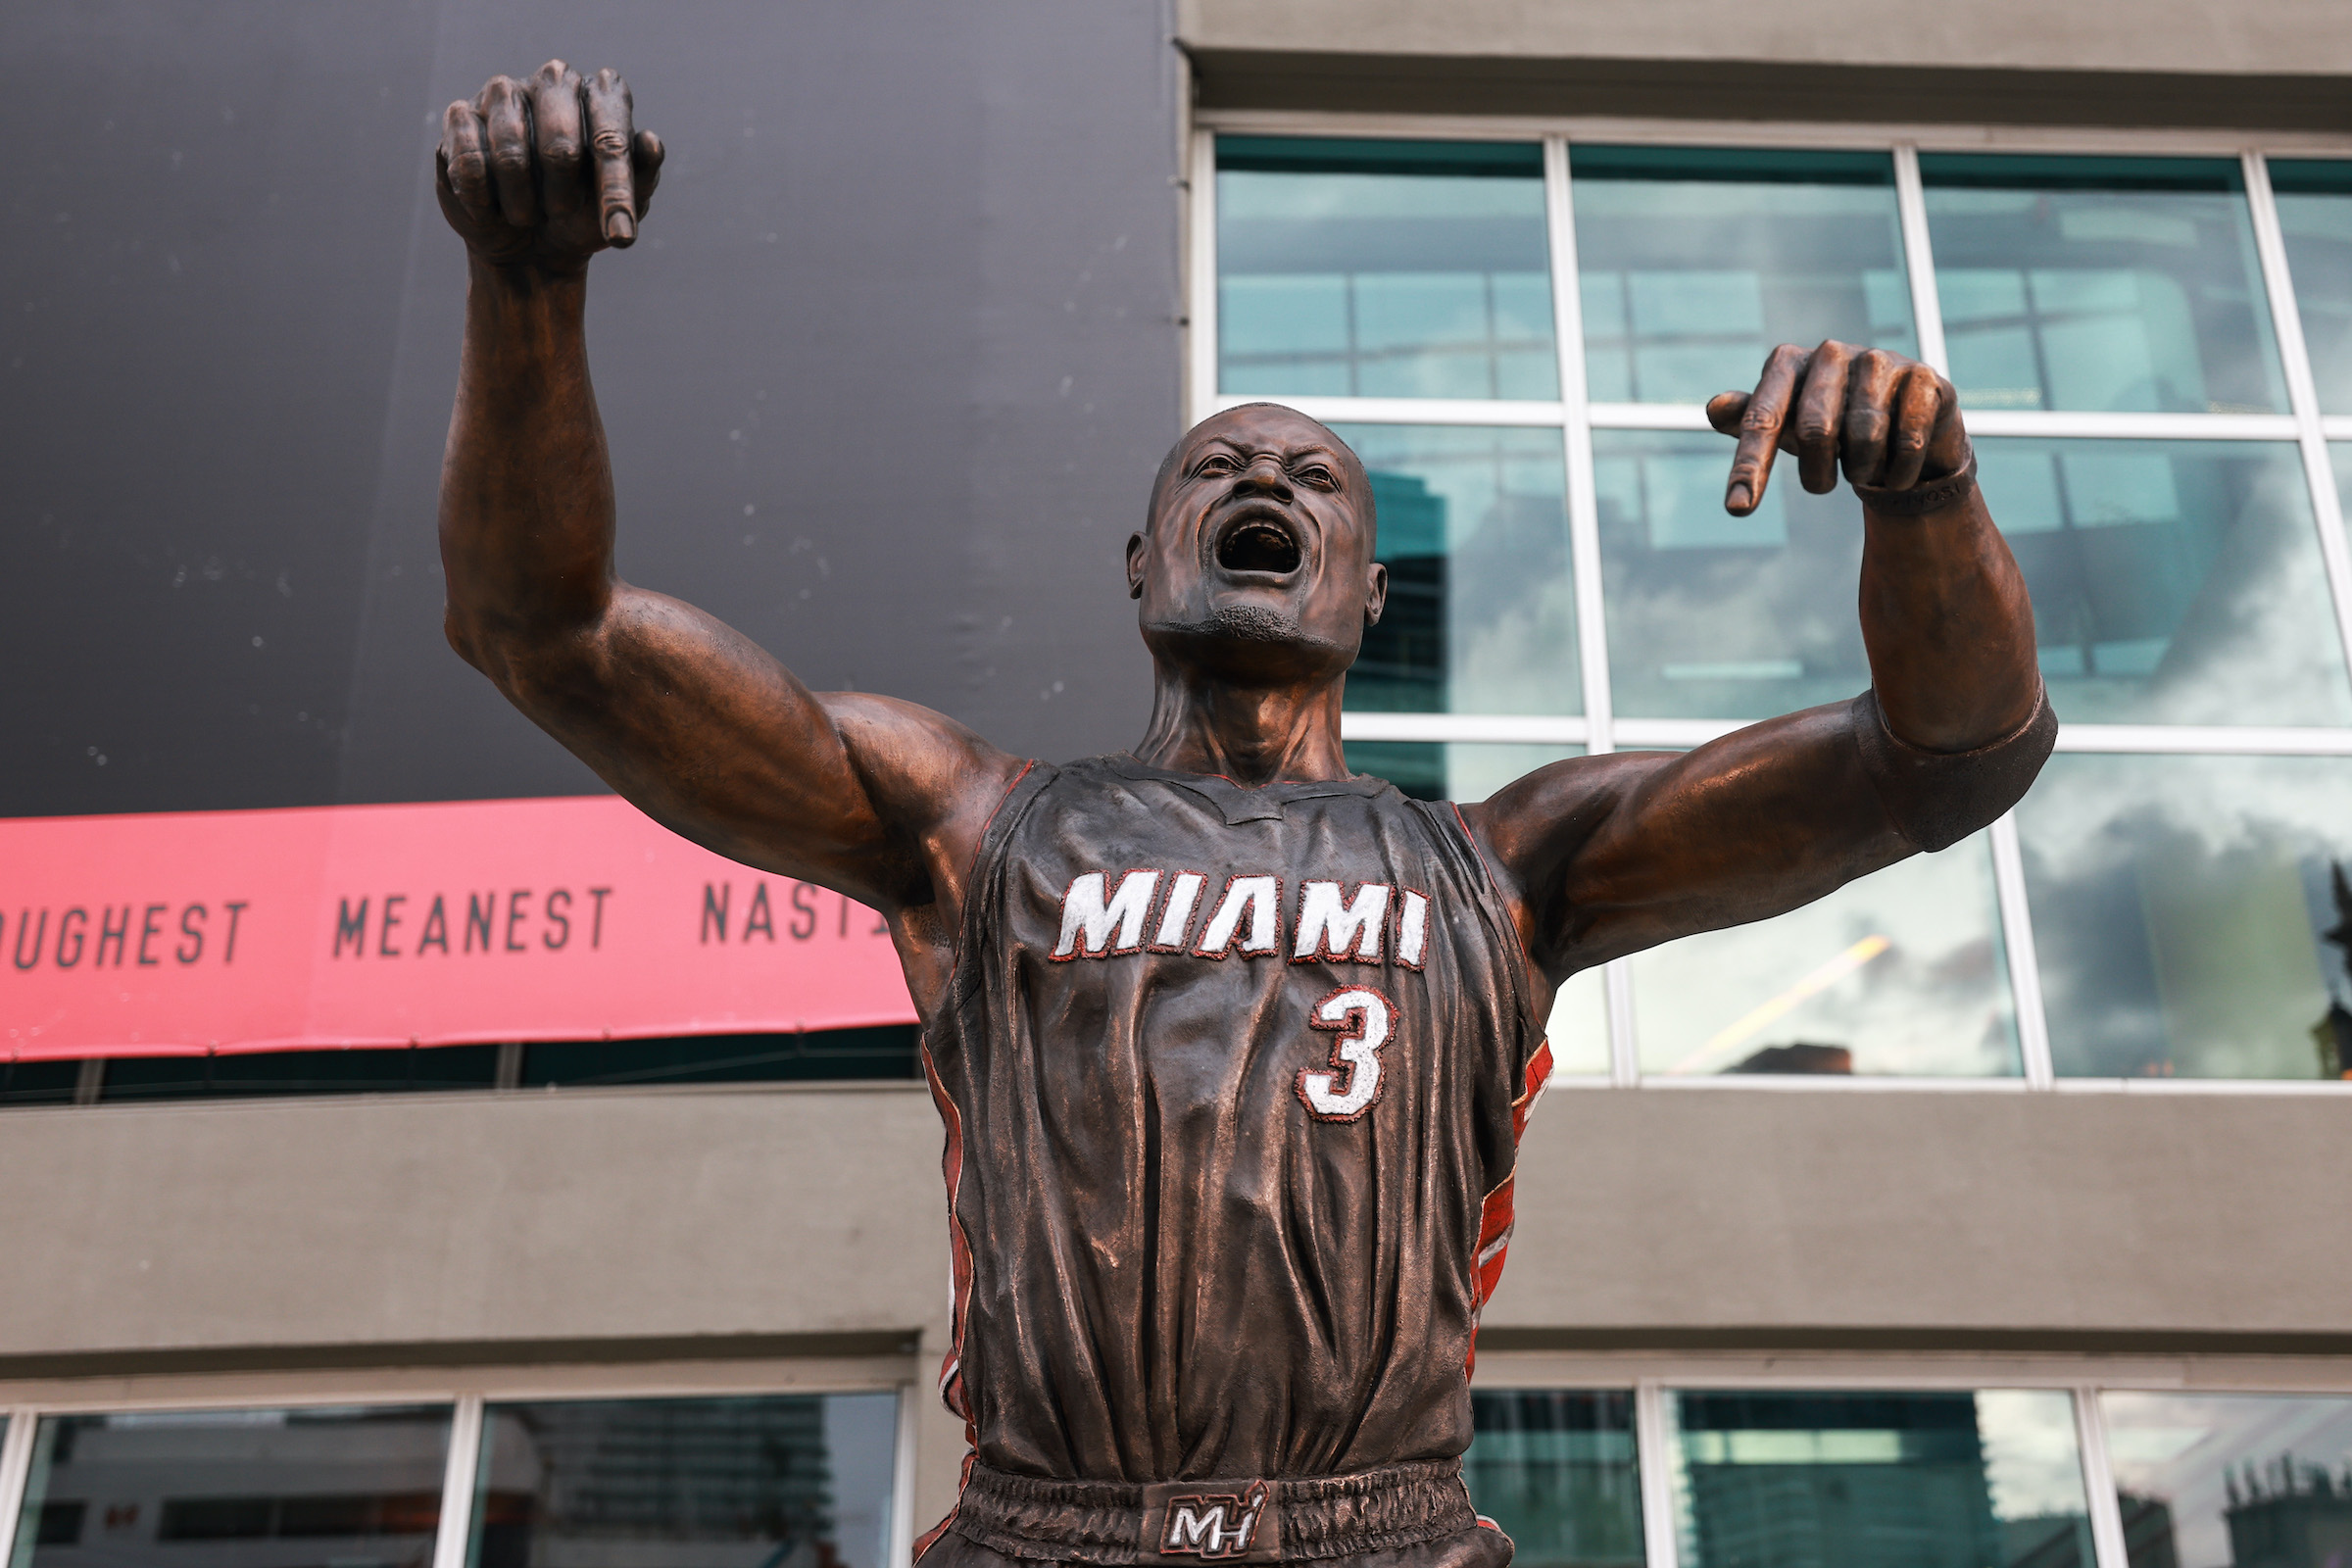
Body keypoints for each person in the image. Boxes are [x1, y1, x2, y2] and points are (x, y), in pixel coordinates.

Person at [433, 64, 2052, 1568]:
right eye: (1217, 470)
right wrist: (525, 294)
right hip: (1050, 1530)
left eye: (1314, 479)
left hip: (1384, 1532)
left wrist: (1927, 505)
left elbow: (1949, 759)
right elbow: (547, 632)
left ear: (1369, 586)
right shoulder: (971, 825)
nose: (1264, 480)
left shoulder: (1503, 866)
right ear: (1143, 568)